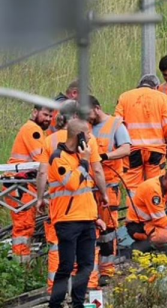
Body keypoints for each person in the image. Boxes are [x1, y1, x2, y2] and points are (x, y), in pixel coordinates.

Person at [35, 119, 109, 308]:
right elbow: (72, 183)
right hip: (67, 221)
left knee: (86, 265)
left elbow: (86, 188)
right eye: (88, 134)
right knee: (66, 266)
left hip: (87, 219)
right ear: (79, 136)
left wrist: (96, 216)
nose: (91, 137)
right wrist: (84, 161)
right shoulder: (59, 158)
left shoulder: (80, 156)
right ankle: (56, 303)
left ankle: (78, 303)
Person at [88, 95, 131, 285]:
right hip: (88, 188)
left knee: (108, 231)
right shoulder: (85, 127)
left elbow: (126, 149)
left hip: (109, 186)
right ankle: (91, 271)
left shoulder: (116, 125)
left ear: (97, 108)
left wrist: (105, 156)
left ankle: (107, 270)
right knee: (89, 229)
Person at [6, 105, 52, 262]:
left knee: (24, 226)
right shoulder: (33, 130)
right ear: (35, 112)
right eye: (45, 114)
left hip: (20, 183)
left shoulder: (32, 129)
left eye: (50, 116)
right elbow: (42, 162)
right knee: (23, 226)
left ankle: (22, 265)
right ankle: (20, 267)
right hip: (20, 184)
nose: (48, 119)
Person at [115, 74, 167, 193]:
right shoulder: (162, 97)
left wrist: (121, 145)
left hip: (132, 150)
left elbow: (117, 123)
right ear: (156, 87)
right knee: (155, 184)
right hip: (156, 151)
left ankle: (134, 210)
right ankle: (154, 208)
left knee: (132, 187)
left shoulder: (125, 97)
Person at [125, 167, 167, 250]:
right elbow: (160, 220)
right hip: (138, 226)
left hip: (152, 222)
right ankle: (139, 248)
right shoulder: (153, 189)